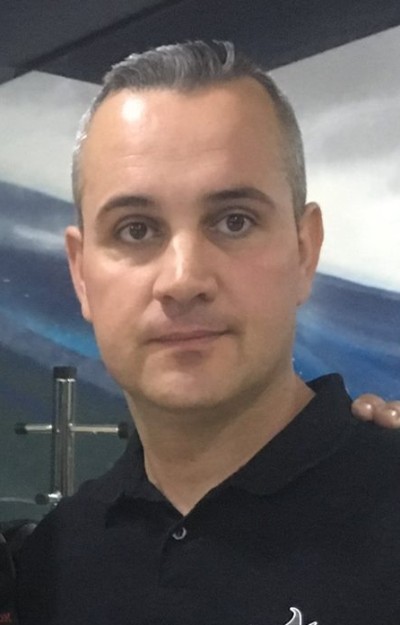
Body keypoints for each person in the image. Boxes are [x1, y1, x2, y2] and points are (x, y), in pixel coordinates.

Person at [16, 41, 400, 625]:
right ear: (81, 274)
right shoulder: (55, 563)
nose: (183, 279)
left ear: (304, 250)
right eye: (136, 229)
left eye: (233, 221)